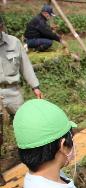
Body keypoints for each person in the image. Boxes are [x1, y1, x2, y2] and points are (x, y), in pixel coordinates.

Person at [0, 15, 42, 151]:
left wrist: (35, 86)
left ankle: (32, 153)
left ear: (1, 27)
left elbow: (26, 66)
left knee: (25, 124)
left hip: (13, 91)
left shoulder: (14, 42)